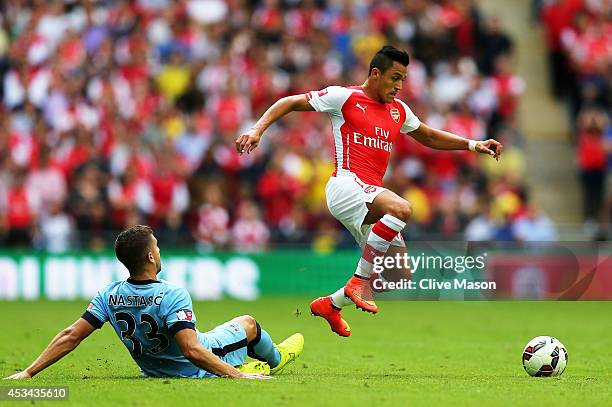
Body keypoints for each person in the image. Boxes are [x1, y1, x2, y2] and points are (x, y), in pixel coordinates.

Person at [236, 46, 503, 337]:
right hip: (345, 186)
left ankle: (331, 305)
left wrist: (473, 144)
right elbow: (290, 101)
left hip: (369, 196)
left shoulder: (399, 111)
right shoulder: (345, 97)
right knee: (402, 208)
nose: (399, 86)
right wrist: (257, 129)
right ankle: (358, 282)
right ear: (375, 73)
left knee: (397, 274)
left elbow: (427, 136)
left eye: (403, 79)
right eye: (395, 77)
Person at [4, 225, 303, 379]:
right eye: (157, 247)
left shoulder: (108, 295)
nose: (159, 252)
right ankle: (275, 359)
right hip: (196, 366)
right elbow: (192, 350)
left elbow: (70, 336)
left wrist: (29, 371)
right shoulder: (172, 293)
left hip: (154, 370)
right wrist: (237, 376)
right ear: (149, 256)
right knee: (249, 323)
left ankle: (257, 362)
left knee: (227, 334)